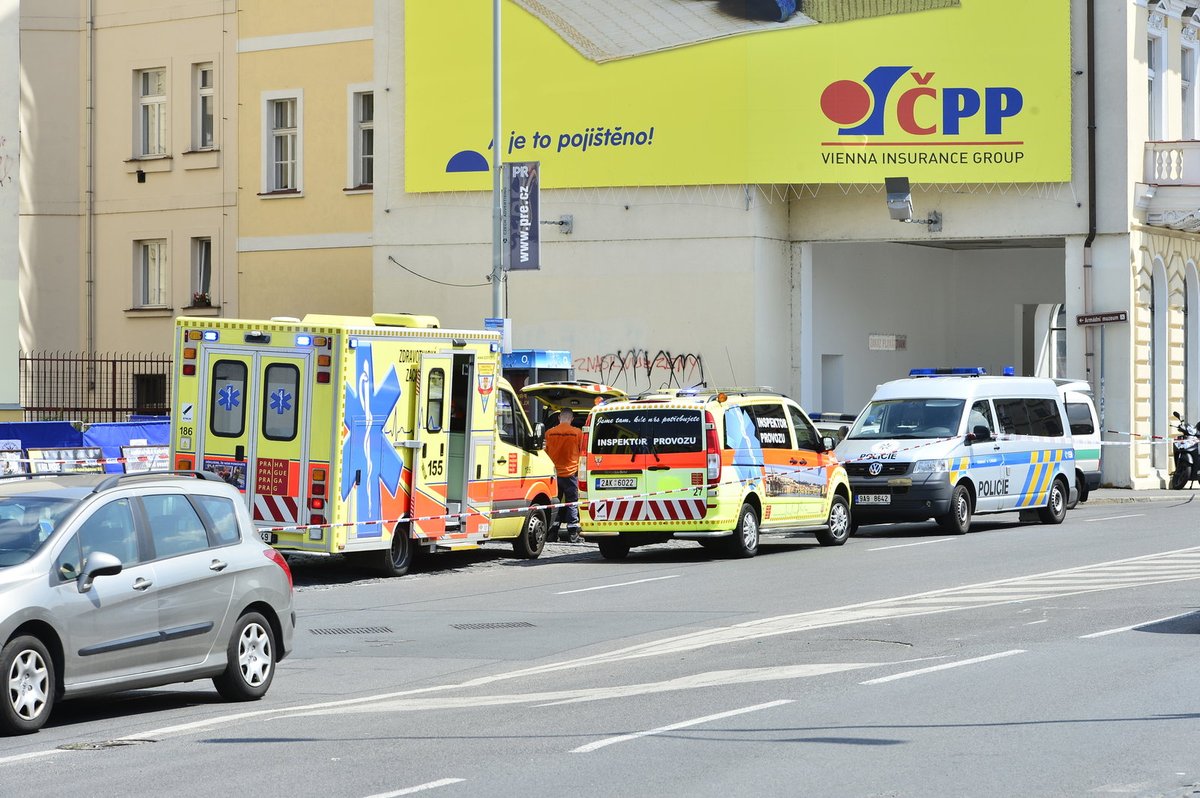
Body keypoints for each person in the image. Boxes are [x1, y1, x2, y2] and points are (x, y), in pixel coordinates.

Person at [544, 408, 584, 543]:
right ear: (571, 419)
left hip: (554, 474)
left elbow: (546, 452)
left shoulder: (549, 433)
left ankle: (552, 533)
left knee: (555, 504)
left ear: (559, 418)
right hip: (571, 473)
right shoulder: (577, 433)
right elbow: (582, 451)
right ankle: (573, 534)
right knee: (572, 503)